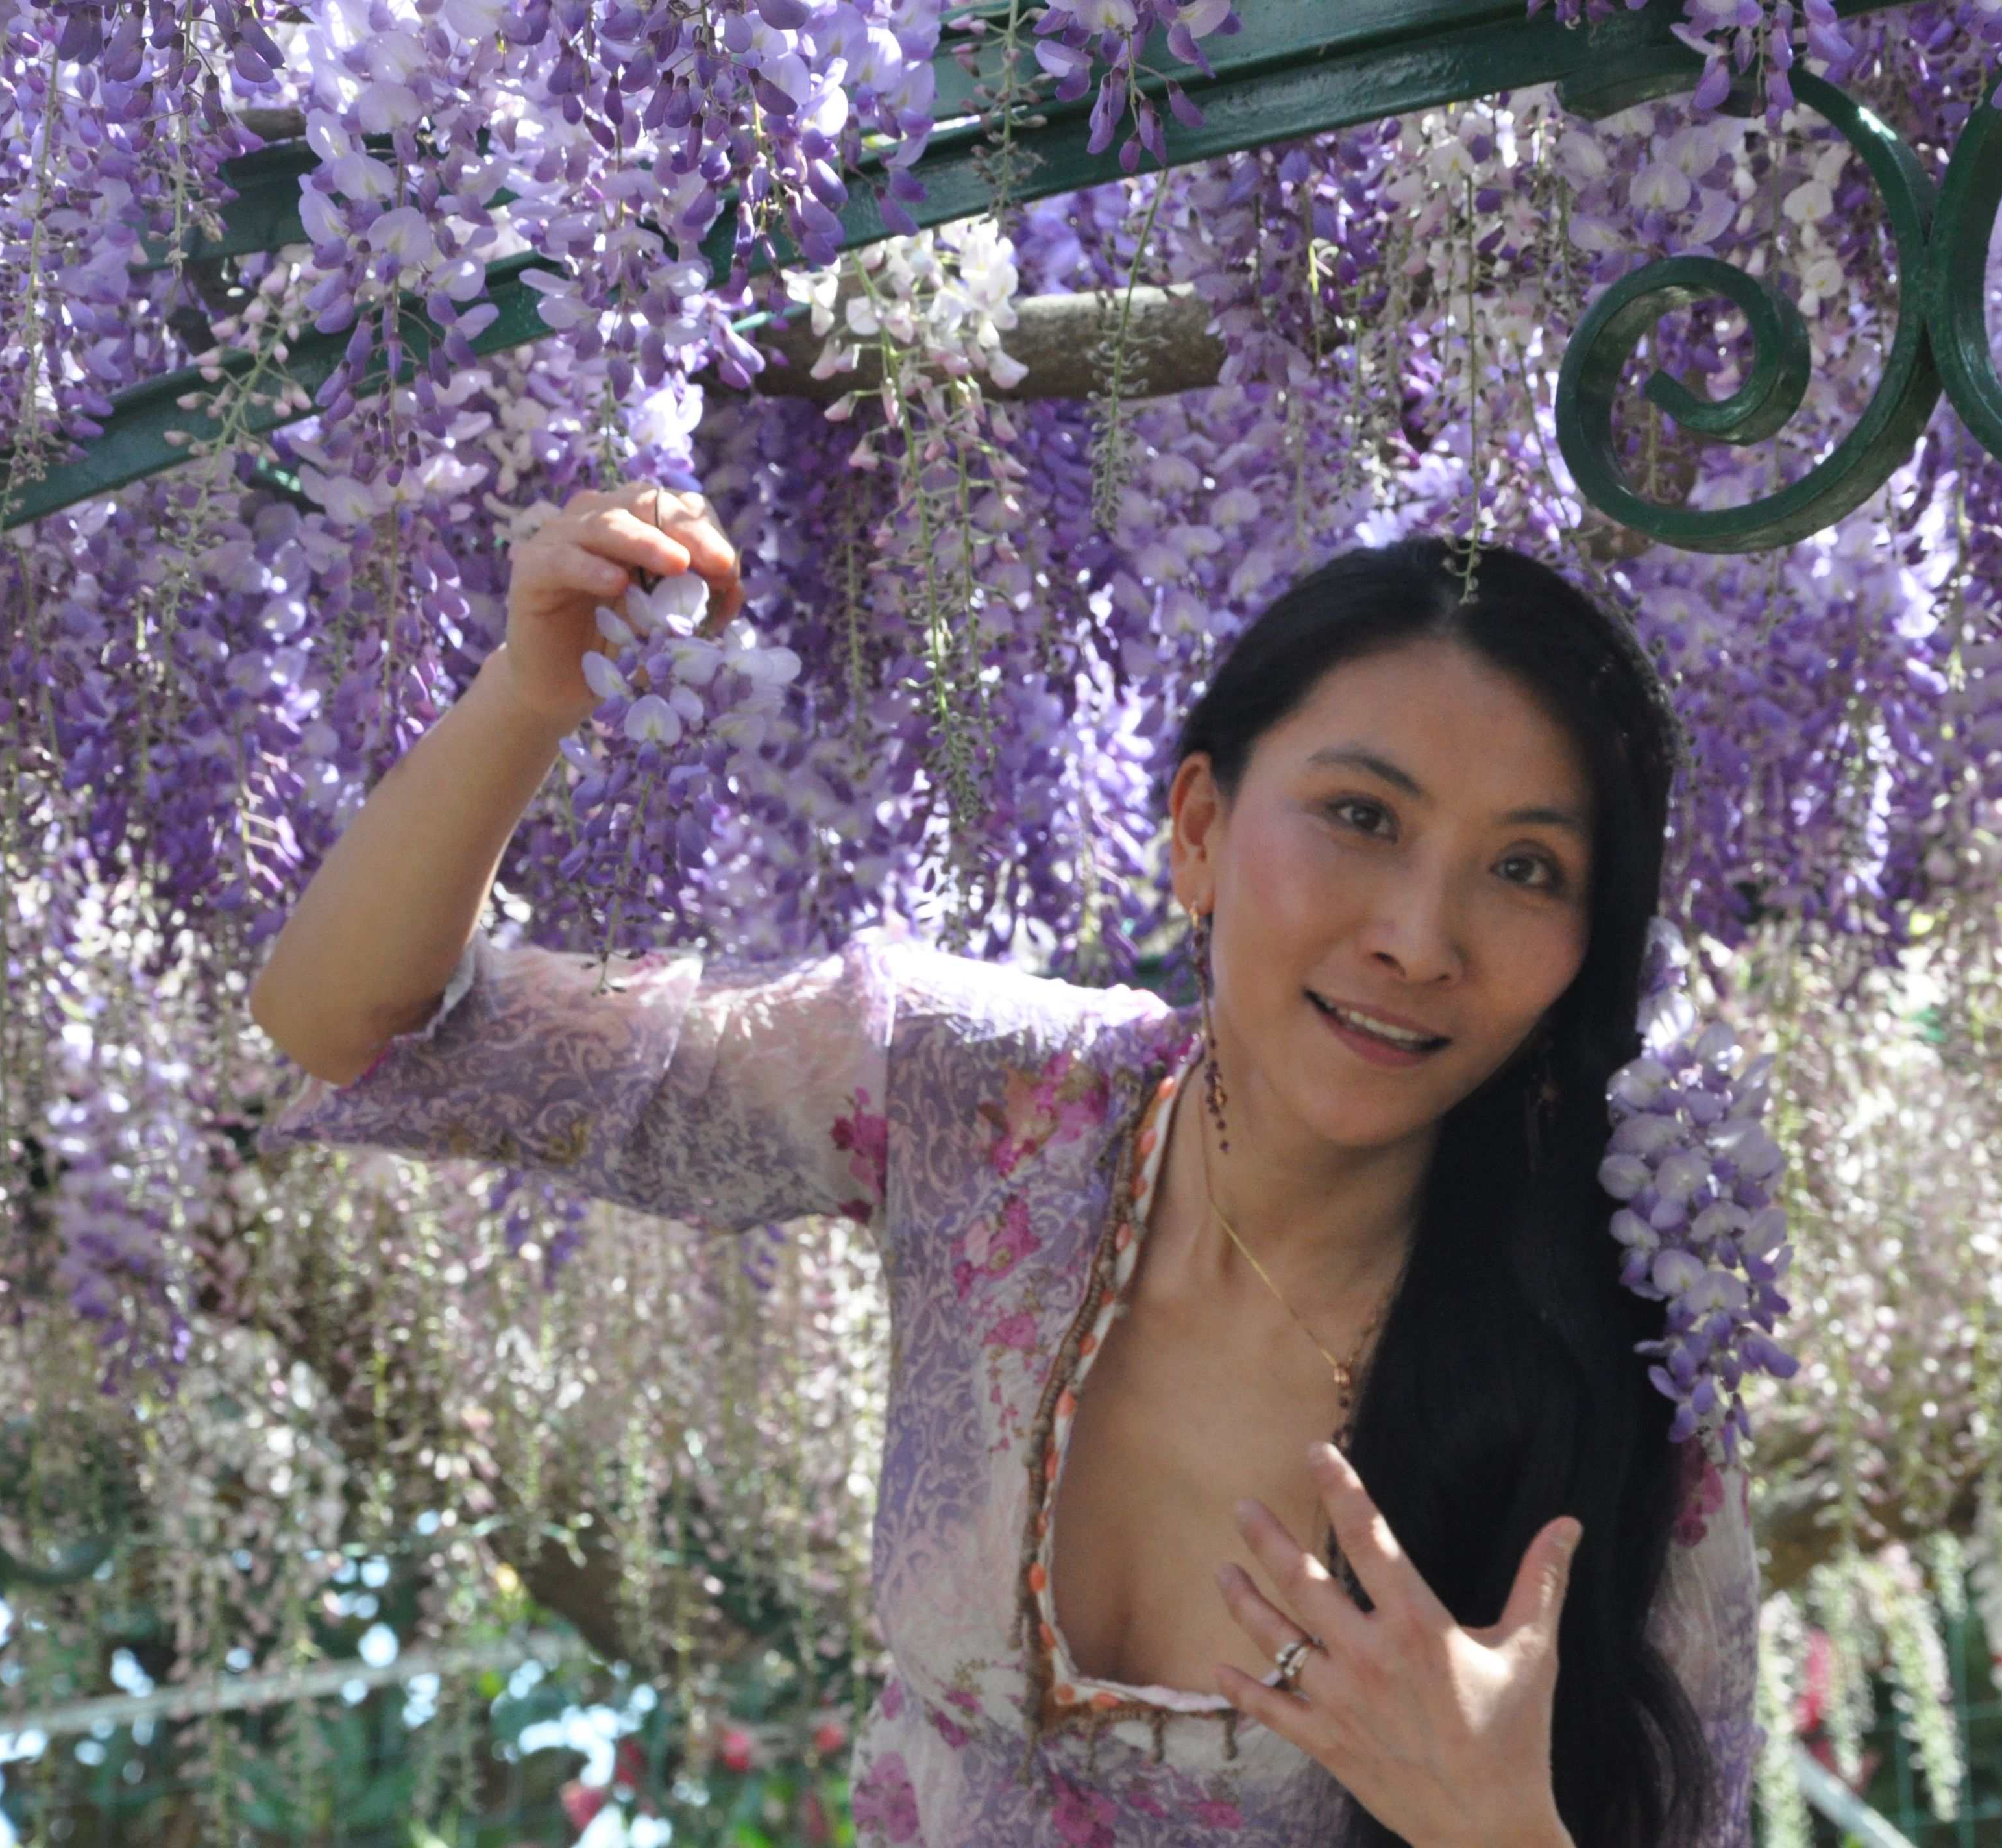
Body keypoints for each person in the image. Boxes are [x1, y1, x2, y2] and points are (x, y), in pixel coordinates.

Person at [249, 486, 1762, 1847]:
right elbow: (357, 1026)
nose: (1417, 939)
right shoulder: (983, 1096)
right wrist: (529, 690)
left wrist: (1494, 1829)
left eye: (1523, 869)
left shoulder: (1619, 1397)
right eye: (1359, 816)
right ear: (1197, 828)